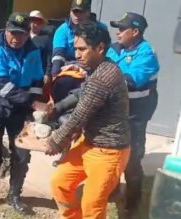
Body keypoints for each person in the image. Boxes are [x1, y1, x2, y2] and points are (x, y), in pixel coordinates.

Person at [45, 20, 131, 219]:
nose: (76, 55)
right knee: (60, 184)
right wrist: (57, 107)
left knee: (92, 206)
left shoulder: (104, 76)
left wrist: (56, 141)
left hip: (109, 152)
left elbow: (79, 116)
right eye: (75, 49)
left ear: (100, 48)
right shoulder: (98, 69)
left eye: (82, 49)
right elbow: (80, 94)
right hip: (89, 143)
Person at [0, 12, 44, 213]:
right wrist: (31, 103)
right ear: (6, 30)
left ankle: (15, 194)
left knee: (22, 154)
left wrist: (36, 101)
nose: (16, 38)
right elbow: (1, 86)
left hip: (19, 111)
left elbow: (36, 82)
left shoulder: (33, 51)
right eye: (13, 33)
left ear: (28, 34)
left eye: (21, 34)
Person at [107, 12, 160, 213]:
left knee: (132, 158)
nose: (118, 33)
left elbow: (129, 80)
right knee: (112, 152)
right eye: (117, 28)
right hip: (117, 111)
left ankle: (133, 201)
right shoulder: (114, 48)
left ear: (135, 32)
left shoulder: (147, 53)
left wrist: (103, 75)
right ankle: (112, 190)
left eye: (122, 29)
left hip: (136, 114)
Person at [51, 0, 106, 77]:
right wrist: (55, 75)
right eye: (75, 12)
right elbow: (58, 56)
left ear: (88, 12)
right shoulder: (62, 30)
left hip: (95, 68)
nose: (77, 15)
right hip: (69, 68)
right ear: (70, 12)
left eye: (81, 12)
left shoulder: (101, 29)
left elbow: (104, 55)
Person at [29, 10, 53, 78]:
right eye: (32, 21)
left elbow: (49, 57)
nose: (35, 25)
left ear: (42, 24)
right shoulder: (23, 35)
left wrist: (47, 73)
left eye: (38, 22)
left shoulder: (46, 39)